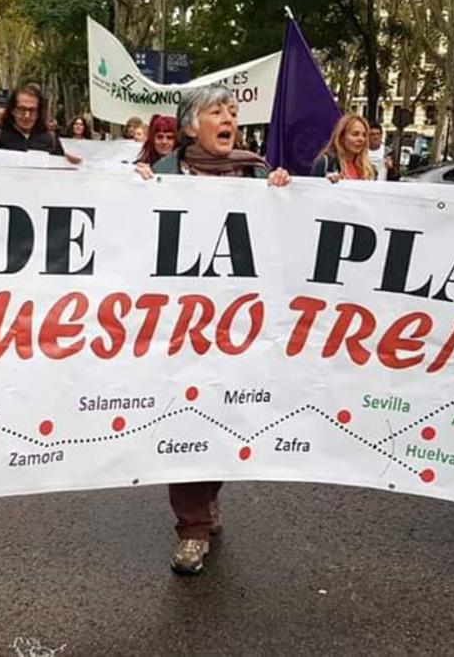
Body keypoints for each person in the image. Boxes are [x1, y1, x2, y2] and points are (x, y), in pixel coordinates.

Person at [133, 83, 288, 576]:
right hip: (178, 328)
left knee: (222, 420)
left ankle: (208, 500)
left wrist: (287, 195)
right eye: (216, 111)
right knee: (187, 420)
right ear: (189, 125)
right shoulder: (158, 174)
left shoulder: (256, 171)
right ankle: (193, 528)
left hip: (239, 326)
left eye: (233, 112)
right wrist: (131, 190)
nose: (229, 119)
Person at [0, 85, 79, 163]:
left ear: (39, 112)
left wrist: (67, 163)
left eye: (32, 110)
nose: (27, 115)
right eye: (22, 109)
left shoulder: (51, 140)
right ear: (12, 110)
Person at [312, 113, 379, 182]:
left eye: (364, 135)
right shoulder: (326, 163)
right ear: (342, 137)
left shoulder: (369, 169)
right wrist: (326, 182)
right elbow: (312, 189)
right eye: (355, 134)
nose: (361, 139)